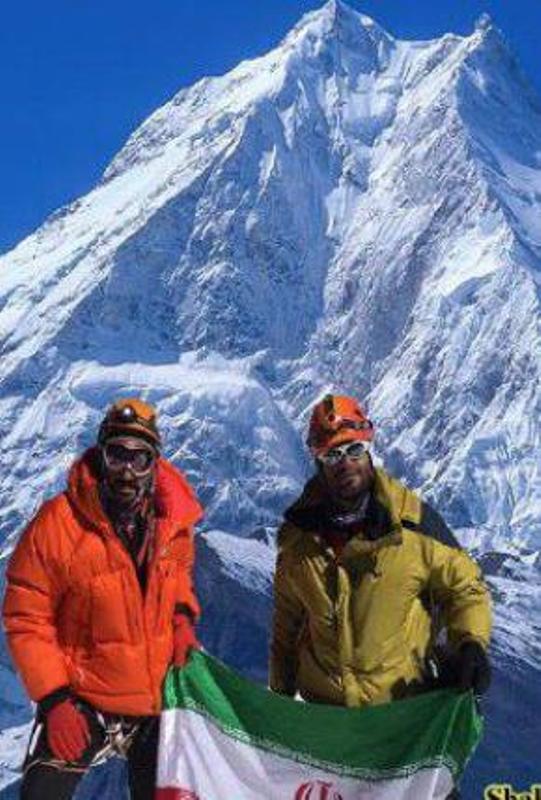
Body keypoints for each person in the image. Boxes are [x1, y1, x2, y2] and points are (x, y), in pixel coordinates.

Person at [3, 398, 203, 800]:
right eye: (116, 455)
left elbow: (177, 578)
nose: (126, 471)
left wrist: (182, 616)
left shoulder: (172, 526)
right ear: (100, 454)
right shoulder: (57, 524)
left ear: (155, 465)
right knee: (41, 794)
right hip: (81, 700)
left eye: (139, 459)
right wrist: (54, 698)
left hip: (153, 701)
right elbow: (27, 616)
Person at [270, 393, 492, 710]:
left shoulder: (414, 526)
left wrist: (471, 642)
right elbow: (286, 631)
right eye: (333, 456)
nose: (346, 463)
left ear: (368, 449)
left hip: (400, 712)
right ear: (319, 461)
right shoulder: (298, 544)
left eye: (354, 450)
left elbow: (465, 588)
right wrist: (280, 702)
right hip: (324, 718)